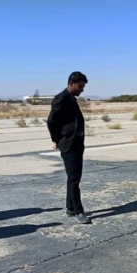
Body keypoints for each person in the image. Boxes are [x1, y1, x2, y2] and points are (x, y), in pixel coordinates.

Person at [47, 71, 91, 224]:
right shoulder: (61, 99)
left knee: (73, 178)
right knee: (74, 179)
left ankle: (70, 208)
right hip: (69, 144)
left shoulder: (71, 98)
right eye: (80, 86)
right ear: (71, 84)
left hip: (77, 144)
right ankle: (78, 211)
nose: (82, 90)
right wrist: (57, 139)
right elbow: (51, 122)